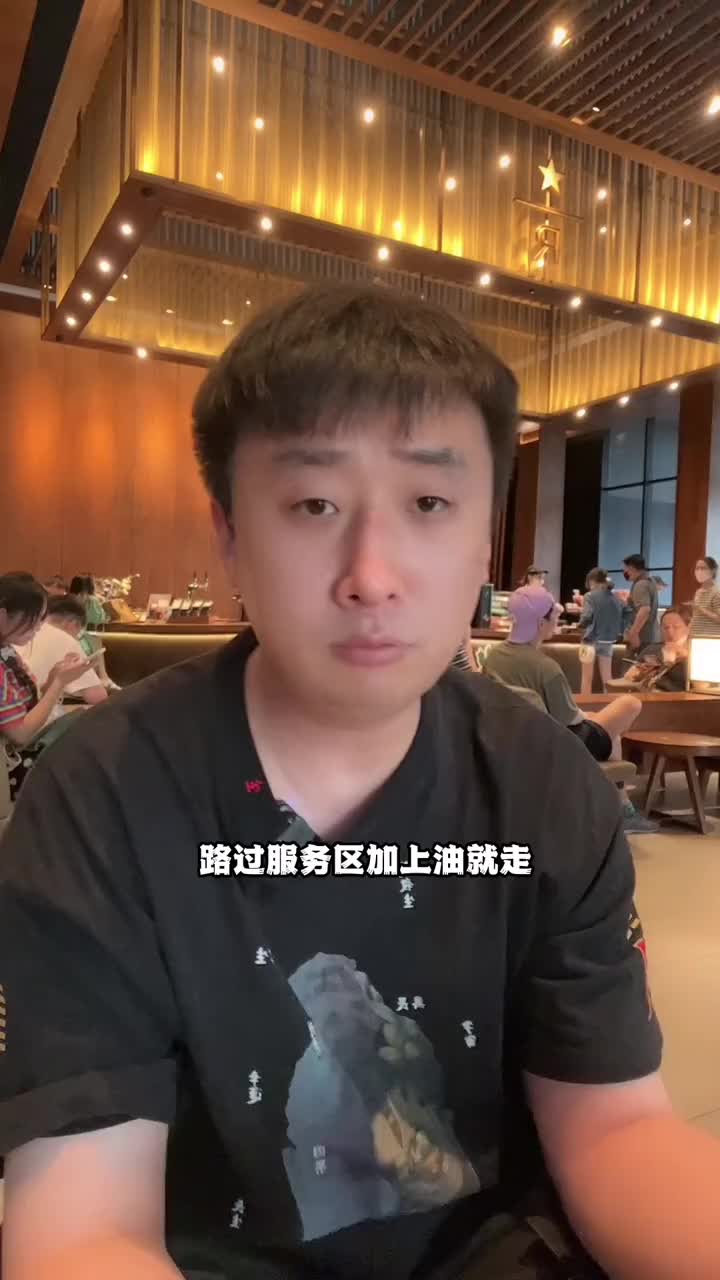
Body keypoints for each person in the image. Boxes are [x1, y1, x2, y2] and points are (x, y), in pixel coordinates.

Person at [2, 285, 719, 1280]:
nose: (371, 575)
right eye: (313, 505)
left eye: (429, 504)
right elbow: (82, 1225)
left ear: (481, 540)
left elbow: (618, 1131)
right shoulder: (102, 792)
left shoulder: (541, 779)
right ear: (229, 533)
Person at [482, 584, 655, 834]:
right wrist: (589, 716)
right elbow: (570, 719)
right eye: (553, 616)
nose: (556, 621)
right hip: (563, 743)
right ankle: (621, 807)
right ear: (540, 623)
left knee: (610, 731)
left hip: (519, 739)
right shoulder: (546, 668)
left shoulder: (493, 656)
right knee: (630, 704)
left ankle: (620, 804)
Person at [0, 573, 92, 802]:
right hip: (13, 765)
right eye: (34, 619)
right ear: (2, 615)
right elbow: (20, 734)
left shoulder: (7, 650)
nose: (39, 628)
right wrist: (58, 684)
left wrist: (54, 678)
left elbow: (26, 705)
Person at [15, 594, 108, 714]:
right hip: (31, 717)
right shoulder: (65, 640)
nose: (77, 637)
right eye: (79, 632)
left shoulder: (19, 633)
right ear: (74, 624)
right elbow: (97, 697)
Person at [622, 606, 691, 693]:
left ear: (688, 627)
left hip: (679, 696)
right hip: (647, 695)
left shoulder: (697, 651)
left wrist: (685, 658)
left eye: (676, 627)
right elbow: (628, 677)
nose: (670, 632)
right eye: (666, 627)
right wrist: (640, 674)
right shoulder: (652, 649)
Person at [577, 568, 623, 695]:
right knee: (607, 679)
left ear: (592, 581)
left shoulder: (590, 596)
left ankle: (585, 704)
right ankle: (609, 703)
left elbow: (587, 616)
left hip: (589, 640)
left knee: (587, 678)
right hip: (607, 640)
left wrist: (580, 625)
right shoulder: (614, 597)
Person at [622, 554, 660, 653]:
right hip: (650, 635)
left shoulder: (640, 585)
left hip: (642, 637)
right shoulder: (650, 581)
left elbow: (645, 609)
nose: (625, 573)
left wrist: (633, 633)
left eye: (626, 569)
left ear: (632, 568)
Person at [690, 556, 720, 639]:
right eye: (697, 568)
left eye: (703, 568)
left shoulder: (717, 593)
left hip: (711, 638)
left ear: (713, 570)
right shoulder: (698, 592)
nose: (699, 571)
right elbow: (696, 616)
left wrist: (700, 609)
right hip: (696, 637)